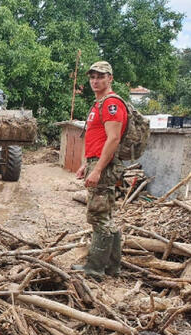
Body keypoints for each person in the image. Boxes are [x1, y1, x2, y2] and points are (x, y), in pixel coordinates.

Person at [72, 61, 128, 280]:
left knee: (98, 216)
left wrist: (98, 170)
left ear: (110, 78)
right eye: (92, 77)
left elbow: (113, 139)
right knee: (107, 216)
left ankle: (95, 268)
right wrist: (88, 164)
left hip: (104, 166)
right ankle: (113, 267)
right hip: (97, 162)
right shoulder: (99, 104)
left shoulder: (112, 104)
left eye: (100, 76)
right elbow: (99, 139)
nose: (95, 81)